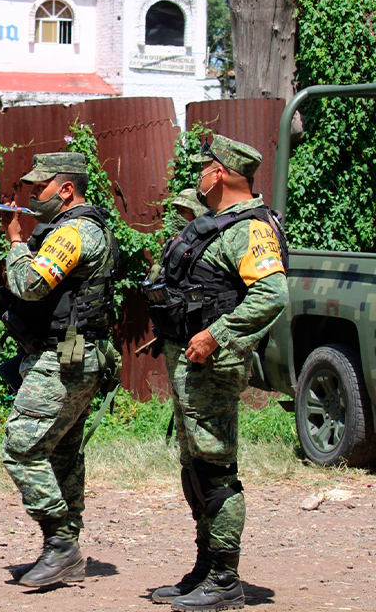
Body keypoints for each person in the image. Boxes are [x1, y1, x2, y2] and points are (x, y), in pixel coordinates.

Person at [144, 136, 289, 611]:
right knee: (196, 468)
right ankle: (206, 567)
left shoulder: (251, 229)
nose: (200, 175)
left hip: (214, 365)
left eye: (206, 167)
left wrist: (215, 335)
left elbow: (271, 295)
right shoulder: (219, 226)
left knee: (217, 470)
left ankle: (227, 579)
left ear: (223, 173)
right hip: (192, 367)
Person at [0, 152, 120, 588]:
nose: (32, 195)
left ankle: (60, 543)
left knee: (22, 448)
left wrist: (15, 242)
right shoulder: (79, 228)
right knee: (63, 451)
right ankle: (64, 547)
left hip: (67, 355)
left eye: (40, 187)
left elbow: (30, 285)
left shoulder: (74, 232)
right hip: (76, 350)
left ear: (66, 189)